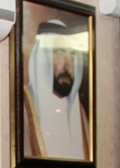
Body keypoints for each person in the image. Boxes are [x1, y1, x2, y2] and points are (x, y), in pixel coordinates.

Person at [24, 19, 89, 159]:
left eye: (72, 58)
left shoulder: (80, 112)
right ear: (44, 59)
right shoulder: (25, 106)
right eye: (60, 55)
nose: (67, 67)